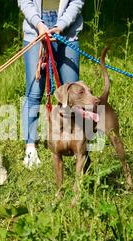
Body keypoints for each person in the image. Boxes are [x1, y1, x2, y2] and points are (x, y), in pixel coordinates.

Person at [18, 0, 85, 169]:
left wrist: (61, 25)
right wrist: (39, 24)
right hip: (35, 30)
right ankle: (30, 148)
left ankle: (73, 142)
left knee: (71, 92)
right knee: (34, 93)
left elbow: (77, 2)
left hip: (67, 31)